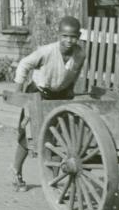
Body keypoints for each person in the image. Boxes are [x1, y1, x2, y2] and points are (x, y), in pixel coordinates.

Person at [11, 16, 86, 191]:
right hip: (38, 94)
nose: (69, 40)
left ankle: (53, 177)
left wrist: (70, 88)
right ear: (59, 35)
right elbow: (23, 65)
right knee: (27, 135)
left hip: (59, 95)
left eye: (73, 37)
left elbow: (75, 72)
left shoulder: (80, 54)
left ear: (79, 36)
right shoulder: (46, 52)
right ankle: (16, 171)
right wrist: (18, 92)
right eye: (65, 36)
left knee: (56, 137)